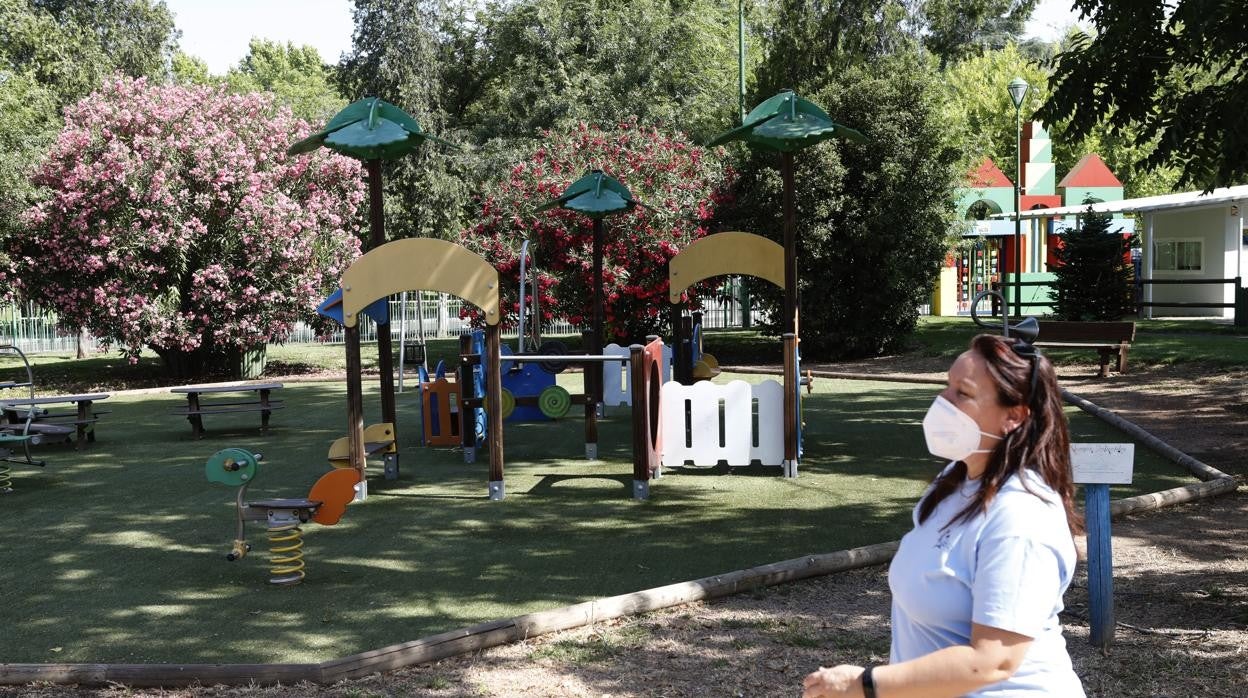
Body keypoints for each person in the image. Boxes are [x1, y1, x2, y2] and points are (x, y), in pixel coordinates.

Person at [803, 333, 1085, 697]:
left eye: (962, 393)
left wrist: (866, 684)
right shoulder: (955, 481)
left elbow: (993, 662)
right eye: (946, 386)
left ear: (1014, 416)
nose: (942, 401)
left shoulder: (1021, 517)